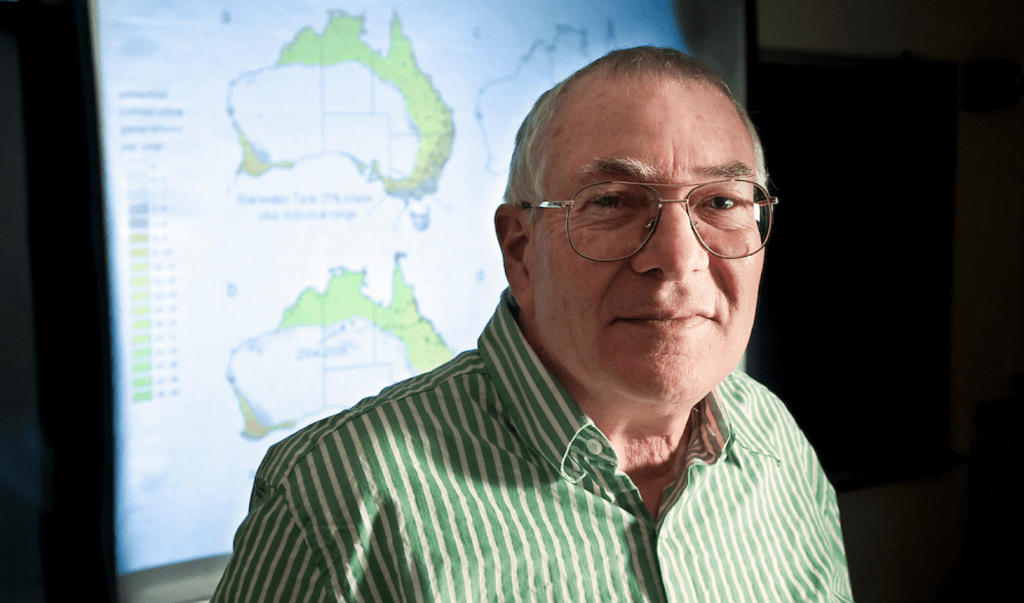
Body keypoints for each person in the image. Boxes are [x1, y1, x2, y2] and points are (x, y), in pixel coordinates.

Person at [212, 46, 853, 602]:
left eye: (720, 202)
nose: (678, 260)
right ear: (520, 250)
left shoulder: (778, 446)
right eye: (611, 202)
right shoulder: (339, 500)